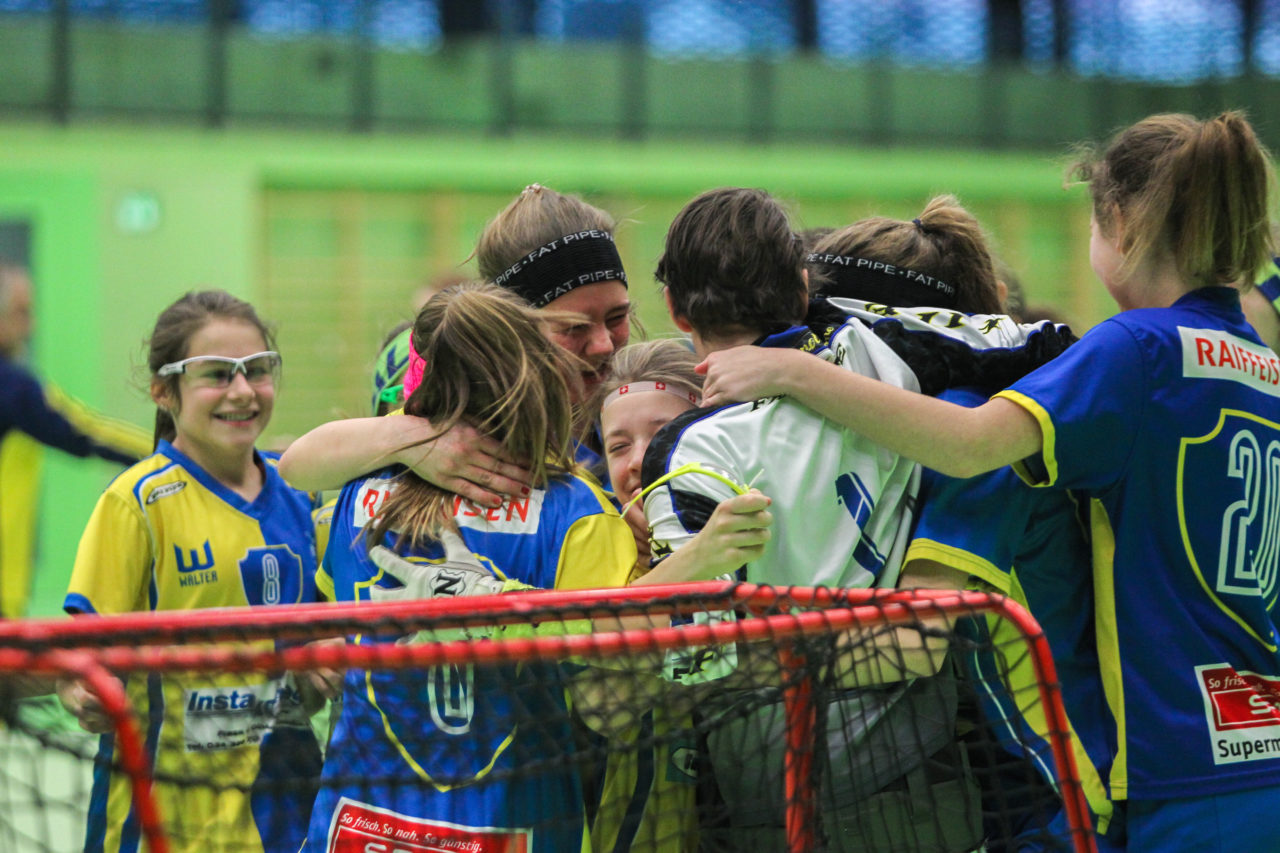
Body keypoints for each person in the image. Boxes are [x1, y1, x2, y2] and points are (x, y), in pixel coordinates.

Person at [696, 112, 1280, 852]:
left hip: (1170, 772)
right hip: (1255, 743)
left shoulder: (1135, 350)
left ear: (1121, 223)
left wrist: (791, 370)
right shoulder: (1260, 363)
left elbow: (970, 448)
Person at [639, 188, 1074, 851]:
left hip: (765, 807)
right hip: (923, 793)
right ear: (805, 284)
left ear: (672, 310)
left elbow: (695, 662)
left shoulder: (682, 448)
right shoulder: (883, 353)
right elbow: (1052, 344)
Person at [302, 281, 637, 853]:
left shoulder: (354, 501)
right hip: (517, 826)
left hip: (358, 827)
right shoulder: (577, 512)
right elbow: (612, 690)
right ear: (537, 380)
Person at [58, 290, 322, 853]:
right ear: (163, 390)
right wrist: (80, 689)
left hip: (289, 818)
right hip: (161, 825)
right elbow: (78, 658)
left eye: (257, 370)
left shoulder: (305, 497)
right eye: (218, 375)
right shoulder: (137, 504)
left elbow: (320, 651)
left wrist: (322, 665)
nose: (243, 391)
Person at [278, 183, 632, 504]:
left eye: (617, 318)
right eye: (573, 328)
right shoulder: (475, 419)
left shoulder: (646, 396)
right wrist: (410, 439)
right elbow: (297, 466)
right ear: (512, 329)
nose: (604, 344)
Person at [0, 262, 150, 618]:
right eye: (22, 313)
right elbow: (87, 433)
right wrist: (179, 455)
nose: (30, 326)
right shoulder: (13, 387)